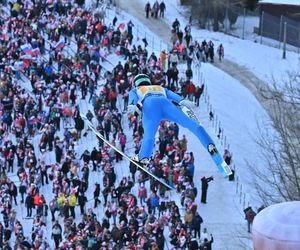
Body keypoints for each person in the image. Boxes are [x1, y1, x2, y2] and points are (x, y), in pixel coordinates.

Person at [128, 74, 218, 167]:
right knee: (190, 123)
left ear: (136, 84)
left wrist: (132, 105)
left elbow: (133, 98)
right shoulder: (159, 87)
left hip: (150, 105)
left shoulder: (137, 89)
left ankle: (144, 157)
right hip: (166, 104)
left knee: (149, 135)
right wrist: (182, 101)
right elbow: (172, 95)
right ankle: (209, 144)